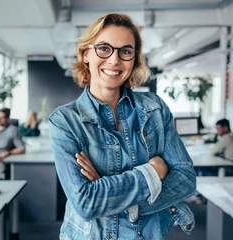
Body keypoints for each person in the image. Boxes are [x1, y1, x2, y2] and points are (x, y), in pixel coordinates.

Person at [48, 13, 196, 239]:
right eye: (104, 48)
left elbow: (185, 178)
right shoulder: (65, 121)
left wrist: (117, 199)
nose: (114, 60)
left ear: (134, 59)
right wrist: (152, 172)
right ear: (86, 54)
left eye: (125, 51)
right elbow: (86, 203)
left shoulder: (155, 109)